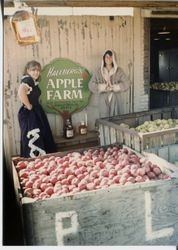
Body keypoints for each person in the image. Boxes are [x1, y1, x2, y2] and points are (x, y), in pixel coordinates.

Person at [18, 60, 56, 158]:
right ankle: (35, 160)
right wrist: (29, 105)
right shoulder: (28, 80)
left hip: (35, 111)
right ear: (27, 70)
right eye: (33, 70)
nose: (36, 72)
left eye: (38, 70)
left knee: (41, 135)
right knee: (34, 137)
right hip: (29, 113)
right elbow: (21, 91)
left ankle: (41, 160)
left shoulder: (33, 81)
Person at [88, 49, 130, 118]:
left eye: (110, 57)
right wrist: (102, 87)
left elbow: (127, 83)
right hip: (103, 99)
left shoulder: (119, 71)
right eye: (106, 57)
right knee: (104, 118)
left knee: (116, 117)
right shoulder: (98, 71)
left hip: (115, 97)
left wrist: (115, 87)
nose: (108, 59)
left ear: (113, 58)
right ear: (103, 58)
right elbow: (90, 85)